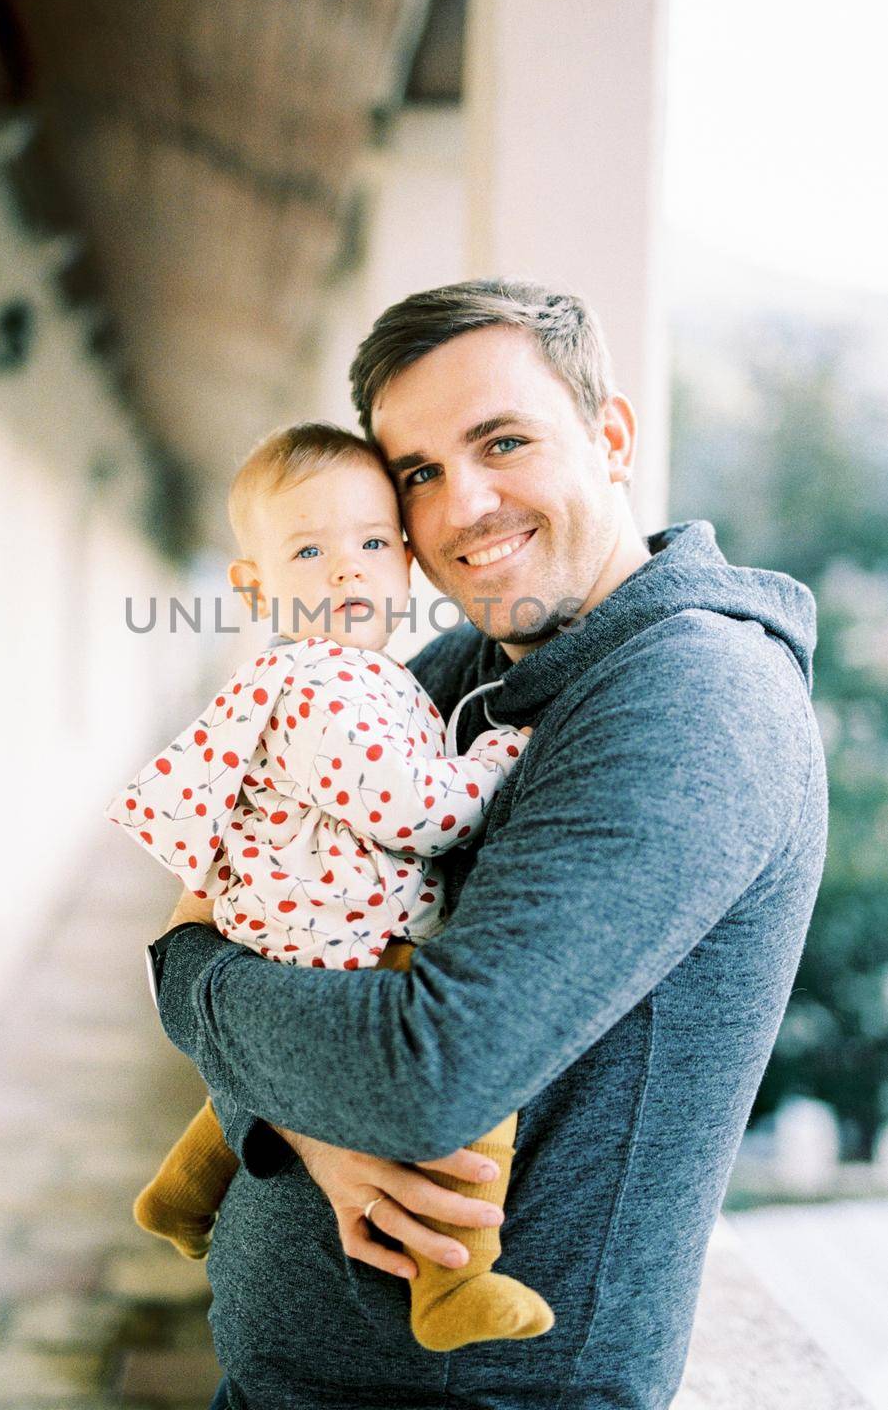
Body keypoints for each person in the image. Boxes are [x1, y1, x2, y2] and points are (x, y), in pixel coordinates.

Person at [148, 279, 828, 1410]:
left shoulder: (692, 699)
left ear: (608, 436)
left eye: (501, 441)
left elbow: (422, 1072)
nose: (462, 506)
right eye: (417, 473)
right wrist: (311, 1126)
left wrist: (189, 984)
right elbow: (242, 886)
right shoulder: (463, 669)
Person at [105, 422, 554, 1350]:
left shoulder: (339, 674)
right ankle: (452, 1284)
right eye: (311, 550)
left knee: (269, 1080)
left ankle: (181, 1196)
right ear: (255, 584)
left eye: (372, 543)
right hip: (336, 935)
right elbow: (414, 813)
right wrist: (499, 756)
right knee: (486, 1098)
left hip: (288, 923)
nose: (348, 571)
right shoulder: (327, 684)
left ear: (405, 558)